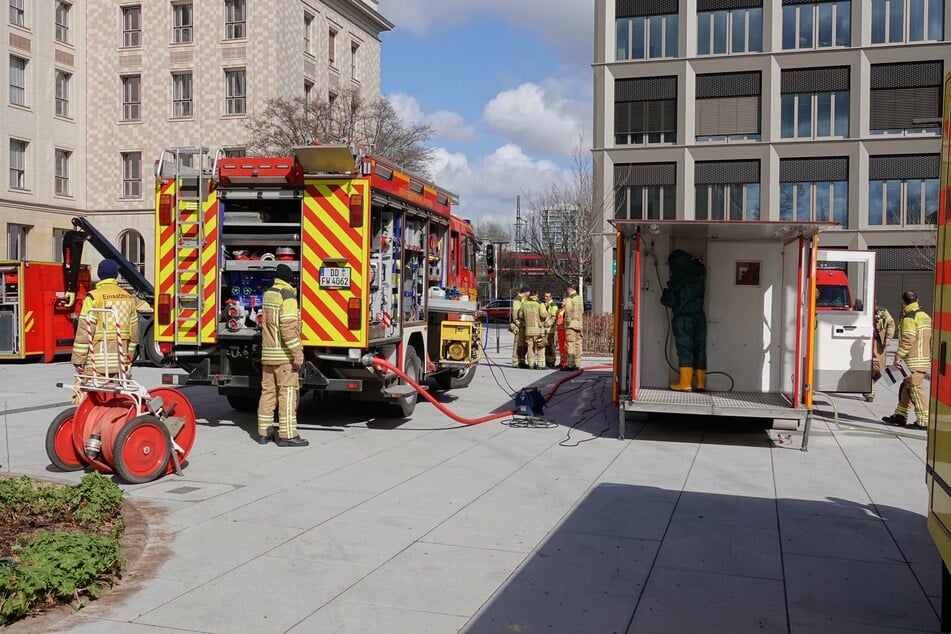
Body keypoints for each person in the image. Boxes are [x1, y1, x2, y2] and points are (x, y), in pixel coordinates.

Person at [257, 264, 308, 446]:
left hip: (268, 354)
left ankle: (264, 432)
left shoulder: (269, 294)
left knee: (268, 392)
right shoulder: (287, 296)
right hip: (284, 356)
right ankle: (288, 435)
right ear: (290, 279)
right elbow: (287, 329)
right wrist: (297, 352)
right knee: (287, 394)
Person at [71, 259, 139, 385]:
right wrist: (129, 356)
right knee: (118, 392)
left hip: (98, 362)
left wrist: (78, 360)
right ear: (116, 275)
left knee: (88, 392)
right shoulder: (128, 297)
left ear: (99, 274)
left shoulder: (94, 297)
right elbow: (134, 332)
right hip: (121, 360)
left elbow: (85, 330)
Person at [882, 291, 932, 429]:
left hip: (912, 361)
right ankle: (900, 415)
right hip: (922, 359)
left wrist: (898, 357)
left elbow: (907, 340)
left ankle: (924, 420)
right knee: (906, 387)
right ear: (918, 300)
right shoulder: (925, 316)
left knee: (915, 389)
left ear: (903, 302)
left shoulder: (909, 318)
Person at [660, 249, 707, 391]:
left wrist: (664, 295)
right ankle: (700, 383)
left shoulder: (677, 278)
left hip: (683, 318)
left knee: (685, 349)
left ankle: (685, 383)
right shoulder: (700, 273)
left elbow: (669, 301)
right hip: (699, 317)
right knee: (700, 349)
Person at [863, 305, 895, 403]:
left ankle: (869, 385)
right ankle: (869, 391)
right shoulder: (862, 310)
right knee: (873, 367)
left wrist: (889, 337)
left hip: (879, 343)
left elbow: (891, 323)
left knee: (881, 369)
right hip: (865, 342)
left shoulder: (882, 311)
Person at [520, 291, 549, 369]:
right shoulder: (539, 304)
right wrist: (547, 313)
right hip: (537, 330)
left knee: (530, 347)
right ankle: (541, 365)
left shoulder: (524, 304)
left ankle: (531, 364)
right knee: (540, 347)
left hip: (528, 330)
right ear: (536, 295)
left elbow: (520, 315)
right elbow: (543, 315)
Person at [562, 282, 584, 371]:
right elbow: (582, 311)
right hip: (579, 324)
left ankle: (570, 364)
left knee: (570, 344)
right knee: (577, 344)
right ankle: (577, 364)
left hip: (571, 325)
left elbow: (567, 311)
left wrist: (567, 323)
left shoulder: (569, 298)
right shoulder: (579, 298)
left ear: (569, 289)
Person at [509, 284, 531, 368]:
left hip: (523, 325)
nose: (529, 293)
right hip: (519, 325)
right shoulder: (518, 299)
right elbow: (515, 313)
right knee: (517, 344)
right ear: (526, 292)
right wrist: (518, 323)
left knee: (523, 344)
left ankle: (522, 361)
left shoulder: (524, 298)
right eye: (529, 291)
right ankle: (516, 362)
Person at [542, 292, 559, 369]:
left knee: (551, 346)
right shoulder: (544, 305)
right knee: (546, 346)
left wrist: (548, 323)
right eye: (545, 296)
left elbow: (554, 317)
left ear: (551, 297)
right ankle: (546, 361)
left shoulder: (553, 305)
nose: (545, 298)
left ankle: (551, 362)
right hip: (545, 329)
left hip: (551, 329)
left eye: (547, 296)